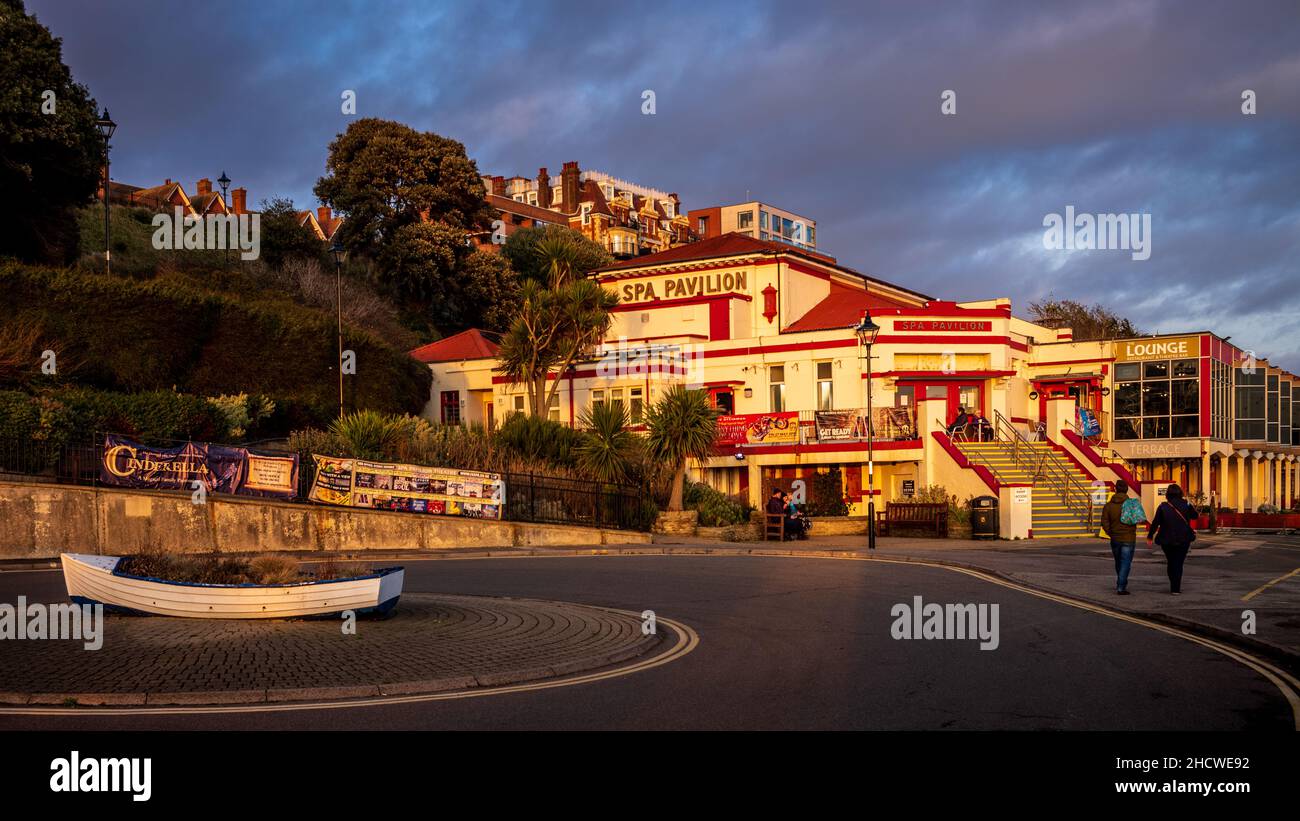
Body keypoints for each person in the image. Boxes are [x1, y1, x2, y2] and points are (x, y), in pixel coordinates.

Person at [1146, 484, 1197, 594]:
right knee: (1179, 563)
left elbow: (1155, 523)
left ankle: (1173, 583)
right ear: (1180, 493)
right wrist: (1190, 504)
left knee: (1171, 561)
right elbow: (1195, 516)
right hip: (1184, 538)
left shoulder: (1163, 506)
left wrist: (1150, 536)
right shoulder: (1186, 504)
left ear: (1167, 494)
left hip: (1166, 539)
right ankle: (1176, 588)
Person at [1099, 479, 1141, 594]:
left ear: (1115, 489)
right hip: (1129, 538)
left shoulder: (1108, 506)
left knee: (1119, 562)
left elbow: (1104, 522)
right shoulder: (1132, 504)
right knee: (1126, 562)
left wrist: (1111, 533)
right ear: (1127, 490)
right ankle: (1121, 586)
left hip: (1115, 538)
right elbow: (1138, 519)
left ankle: (1121, 582)